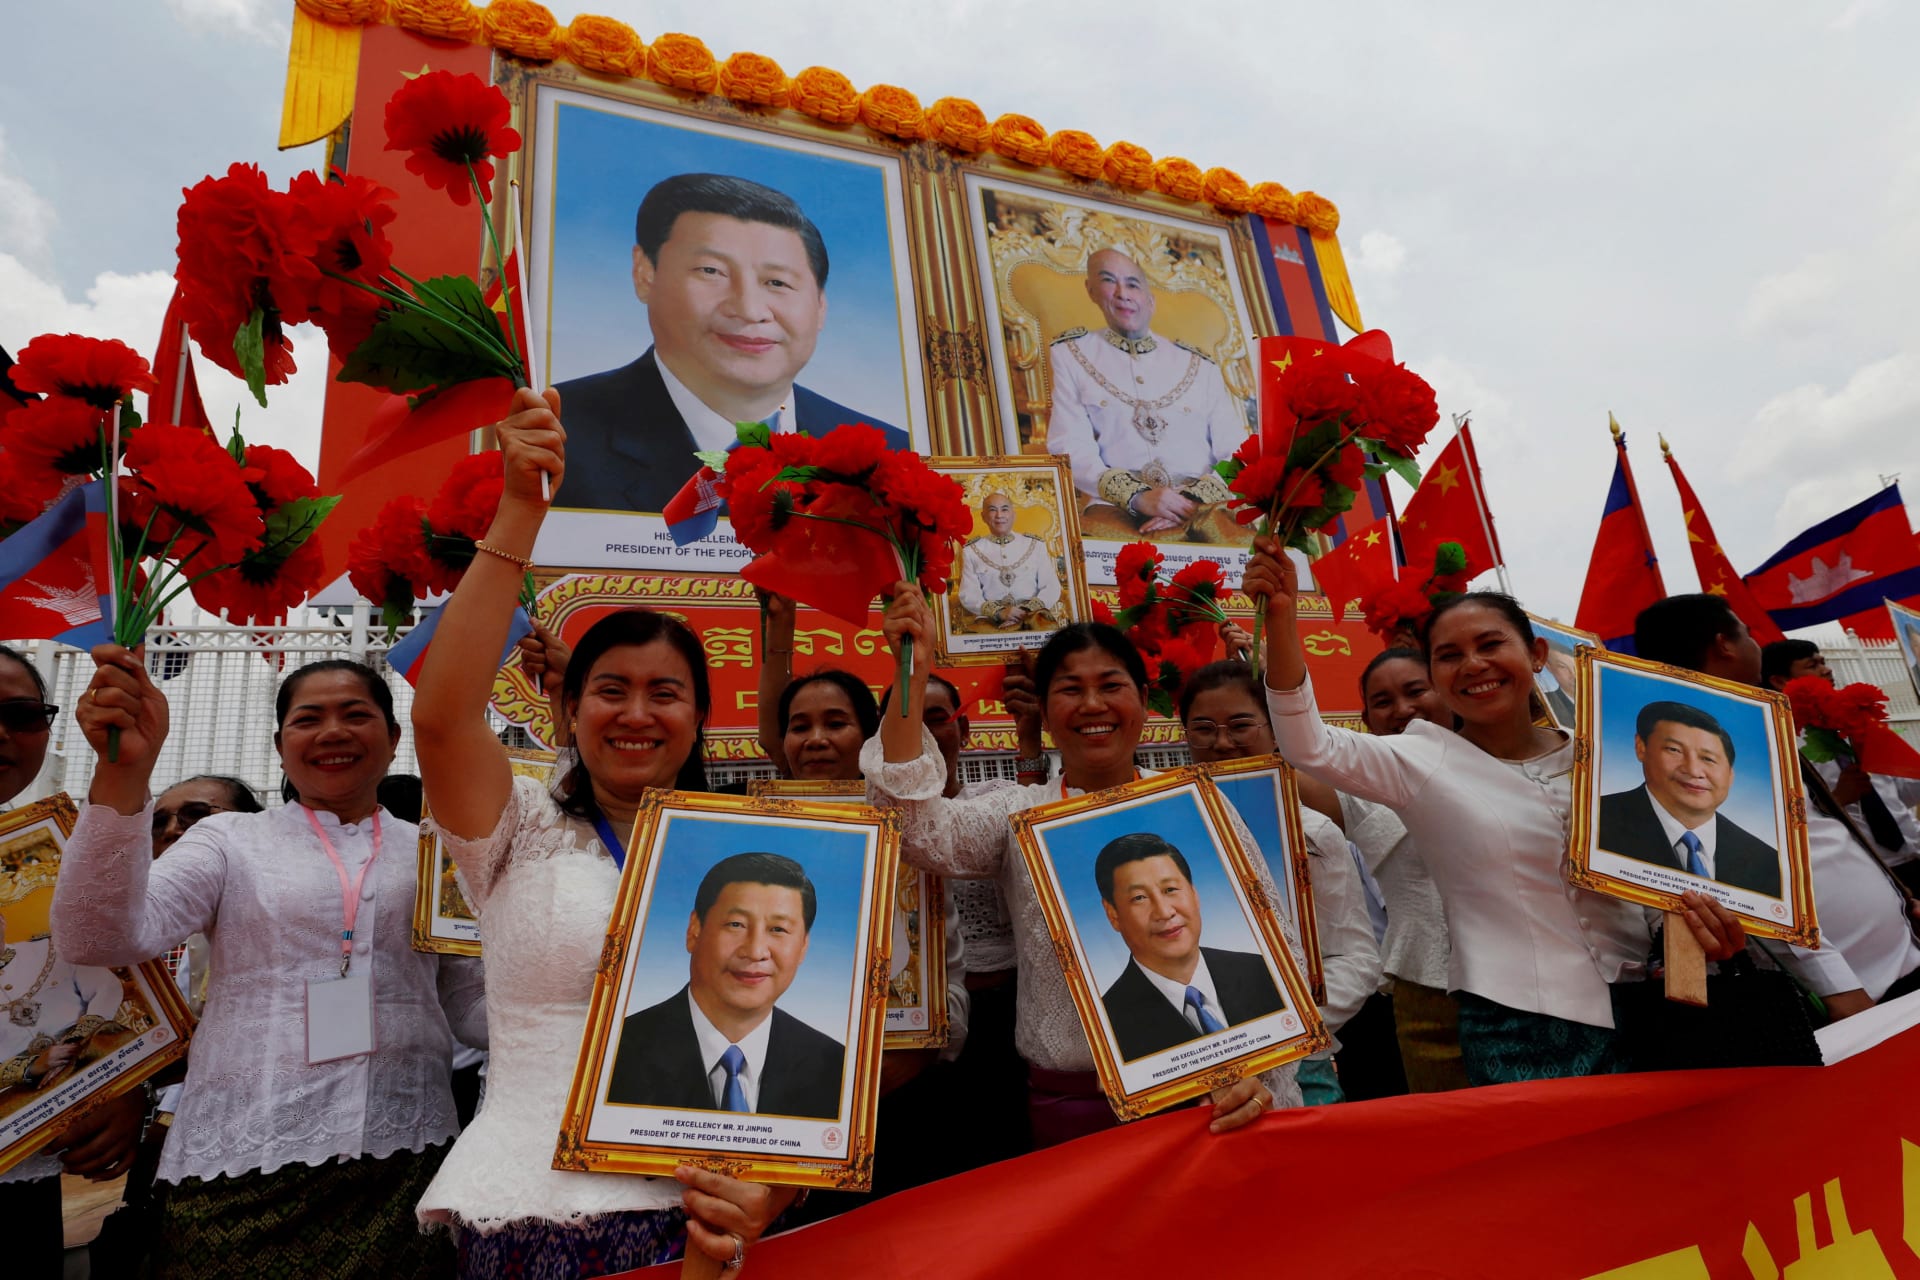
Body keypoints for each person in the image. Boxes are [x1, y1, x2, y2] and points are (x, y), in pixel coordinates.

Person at [410, 387, 799, 1275]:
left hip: (706, 1219)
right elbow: (440, 719)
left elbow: (801, 1039)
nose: (635, 713)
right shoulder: (517, 830)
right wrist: (520, 509)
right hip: (536, 1214)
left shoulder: (751, 853)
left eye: (665, 693)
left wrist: (773, 1191)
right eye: (609, 689)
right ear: (573, 709)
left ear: (701, 717)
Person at [1243, 541, 1751, 1085]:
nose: (1475, 665)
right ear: (1436, 675)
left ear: (1535, 655)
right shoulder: (1418, 760)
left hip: (1650, 1010)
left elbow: (1652, 876)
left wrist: (1695, 924)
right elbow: (1307, 745)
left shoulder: (1608, 755)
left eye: (1491, 644)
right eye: (1450, 655)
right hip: (1518, 1027)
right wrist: (1282, 619)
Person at [52, 652, 487, 1279]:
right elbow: (98, 935)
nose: (333, 732)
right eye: (309, 718)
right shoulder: (229, 841)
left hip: (402, 1161)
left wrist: (586, 1011)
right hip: (241, 1155)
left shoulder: (438, 853)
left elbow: (469, 1007)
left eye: (356, 715)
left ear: (393, 740)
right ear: (280, 746)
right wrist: (124, 774)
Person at [867, 606, 1303, 1148]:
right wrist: (911, 671)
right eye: (1070, 689)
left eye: (1111, 685)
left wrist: (1263, 1075)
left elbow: (1276, 941)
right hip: (1077, 1111)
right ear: (1044, 714)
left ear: (1145, 701)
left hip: (1218, 1099)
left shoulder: (1200, 804)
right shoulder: (1018, 814)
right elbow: (911, 828)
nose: (1093, 705)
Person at [1634, 595, 1920, 1018]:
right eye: (1747, 634)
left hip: (1898, 959)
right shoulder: (1701, 747)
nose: (1755, 644)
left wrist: (1900, 900)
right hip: (1862, 992)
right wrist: (1840, 989)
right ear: (1724, 645)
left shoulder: (1752, 722)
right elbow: (1750, 881)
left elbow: (1825, 830)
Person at [556, 173, 907, 513]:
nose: (750, 310)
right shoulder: (557, 435)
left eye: (777, 282)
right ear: (644, 273)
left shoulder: (892, 456)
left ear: (820, 306)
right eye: (711, 271)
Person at [0, 647, 151, 1280]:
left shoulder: (66, 862)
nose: (3, 733)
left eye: (23, 713)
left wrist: (117, 1088)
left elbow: (122, 1005)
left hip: (18, 1186)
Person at [1177, 660, 1388, 1104]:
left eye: (1240, 725)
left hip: (1300, 1063)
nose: (1221, 742)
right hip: (1187, 1069)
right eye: (1203, 728)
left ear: (1274, 731)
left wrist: (1280, 1030)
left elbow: (1355, 958)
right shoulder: (1165, 831)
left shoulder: (1312, 832)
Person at [605, 854, 843, 1118]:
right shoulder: (615, 1053)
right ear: (694, 931)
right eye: (736, 925)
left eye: (778, 929)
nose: (755, 951)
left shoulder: (836, 1069)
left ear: (803, 947)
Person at [1046, 247, 1247, 539]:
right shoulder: (1070, 353)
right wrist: (1138, 497)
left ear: (1150, 300)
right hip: (1117, 510)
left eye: (1132, 284)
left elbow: (1240, 454)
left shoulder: (1199, 365)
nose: (1122, 293)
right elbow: (1069, 447)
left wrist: (1193, 500)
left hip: (1206, 509)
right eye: (1108, 281)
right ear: (1090, 290)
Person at [1347, 650, 1468, 1093]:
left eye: (1416, 691)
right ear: (1366, 720)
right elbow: (1294, 752)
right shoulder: (1356, 788)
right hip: (1423, 997)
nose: (1403, 710)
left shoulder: (1506, 764)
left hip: (1522, 989)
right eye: (1383, 701)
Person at [1092, 833, 1286, 1060]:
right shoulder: (1108, 1023)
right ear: (1112, 914)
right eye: (1139, 898)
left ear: (1194, 894)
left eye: (1170, 890)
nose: (1164, 912)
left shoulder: (1262, 971)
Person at [1762, 639, 1920, 895]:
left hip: (1914, 852)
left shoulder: (1856, 724)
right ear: (1780, 681)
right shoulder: (1783, 746)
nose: (1826, 670)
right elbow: (1789, 827)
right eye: (1812, 665)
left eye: (1823, 661)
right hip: (1872, 876)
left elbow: (1898, 794)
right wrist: (1838, 799)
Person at [1596, 701, 1782, 897]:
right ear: (1641, 747)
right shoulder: (1596, 818)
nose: (1693, 770)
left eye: (1708, 759)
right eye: (1674, 750)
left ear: (1731, 774)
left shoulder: (1767, 862)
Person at [955, 493, 1063, 630]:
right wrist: (999, 613)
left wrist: (1025, 611)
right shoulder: (971, 550)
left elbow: (1051, 587)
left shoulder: (1035, 545)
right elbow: (969, 594)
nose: (999, 515)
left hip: (1033, 618)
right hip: (991, 622)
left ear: (1013, 514)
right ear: (983, 517)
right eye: (993, 510)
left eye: (1005, 509)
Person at [776, 670, 878, 783]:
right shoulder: (762, 800)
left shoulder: (894, 800)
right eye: (800, 727)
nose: (816, 739)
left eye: (835, 724)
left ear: (870, 736)